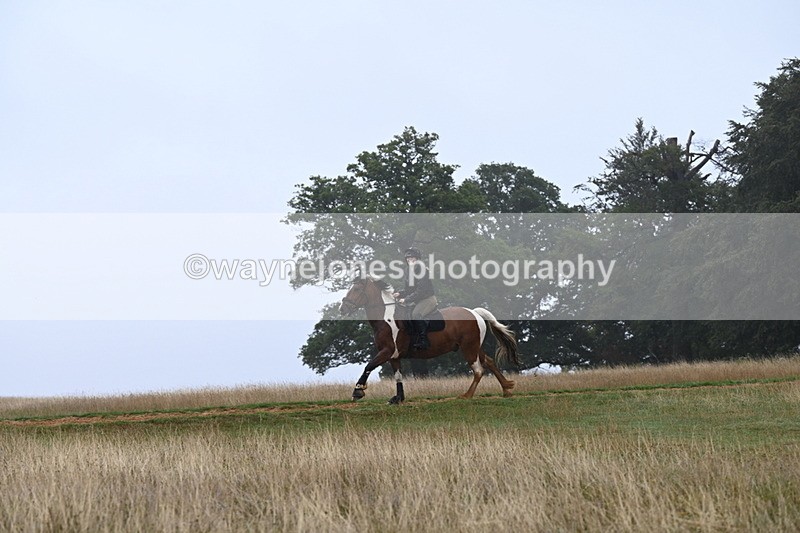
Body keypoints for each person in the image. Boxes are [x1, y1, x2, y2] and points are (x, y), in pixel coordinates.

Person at [393, 247, 438, 350]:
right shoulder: (408, 271)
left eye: (412, 258)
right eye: (408, 259)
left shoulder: (423, 270)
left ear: (417, 259)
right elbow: (408, 290)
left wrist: (406, 299)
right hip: (417, 300)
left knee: (416, 315)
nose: (410, 260)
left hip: (428, 299)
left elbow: (421, 291)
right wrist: (399, 294)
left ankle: (424, 341)